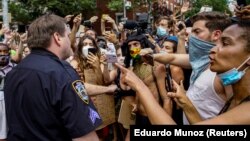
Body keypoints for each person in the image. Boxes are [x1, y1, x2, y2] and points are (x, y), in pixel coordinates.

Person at [115, 5, 250, 124]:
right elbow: (171, 58)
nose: (214, 50)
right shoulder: (204, 61)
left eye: (225, 43)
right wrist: (186, 103)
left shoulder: (225, 79)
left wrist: (139, 86)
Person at [4, 14, 116, 141]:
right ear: (57, 37)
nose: (70, 41)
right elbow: (85, 136)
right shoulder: (63, 73)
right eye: (68, 36)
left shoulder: (13, 74)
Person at [141, 11, 232, 124]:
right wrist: (152, 56)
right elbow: (172, 58)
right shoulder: (202, 60)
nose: (191, 36)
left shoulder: (225, 71)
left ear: (216, 35)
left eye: (196, 31)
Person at [0, 43, 16, 141]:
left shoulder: (16, 68)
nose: (2, 54)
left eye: (5, 52)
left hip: (11, 104)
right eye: (0, 52)